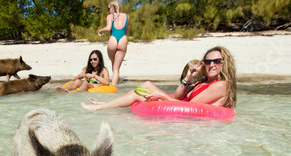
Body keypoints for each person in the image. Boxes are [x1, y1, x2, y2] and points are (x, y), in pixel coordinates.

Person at [81, 46, 237, 111]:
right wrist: (188, 78)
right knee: (147, 84)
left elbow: (192, 107)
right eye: (208, 62)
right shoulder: (203, 82)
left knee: (143, 91)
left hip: (194, 121)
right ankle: (106, 104)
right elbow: (178, 97)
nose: (211, 65)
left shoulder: (221, 85)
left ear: (225, 63)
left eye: (216, 61)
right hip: (183, 110)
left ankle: (101, 107)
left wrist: (161, 96)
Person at [98, 0, 129, 85]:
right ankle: (115, 84)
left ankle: (112, 86)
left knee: (113, 65)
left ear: (112, 8)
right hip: (123, 39)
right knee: (116, 68)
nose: (109, 10)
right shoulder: (126, 16)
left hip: (113, 39)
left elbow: (108, 29)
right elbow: (126, 31)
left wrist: (100, 31)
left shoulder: (110, 16)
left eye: (109, 8)